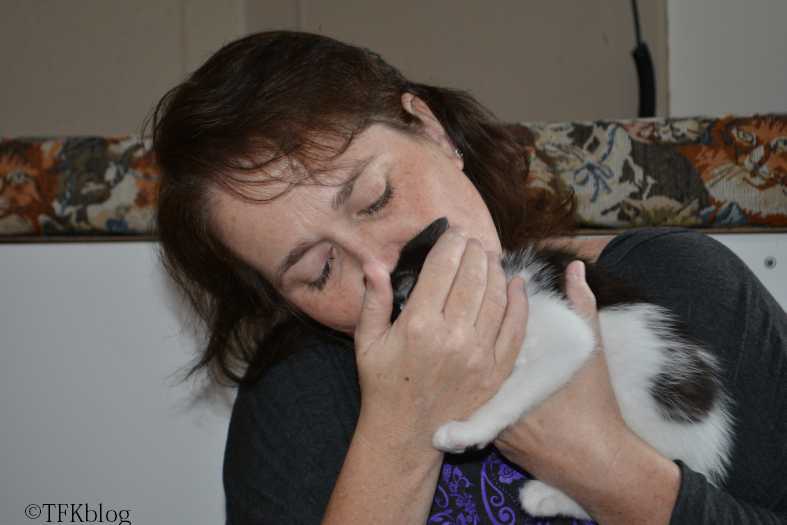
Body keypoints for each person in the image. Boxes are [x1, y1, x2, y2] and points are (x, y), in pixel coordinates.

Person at [149, 31, 787, 524]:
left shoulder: (678, 284)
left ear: (432, 131)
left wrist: (609, 470)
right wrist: (399, 432)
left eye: (375, 199)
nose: (382, 267)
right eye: (319, 272)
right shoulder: (296, 398)